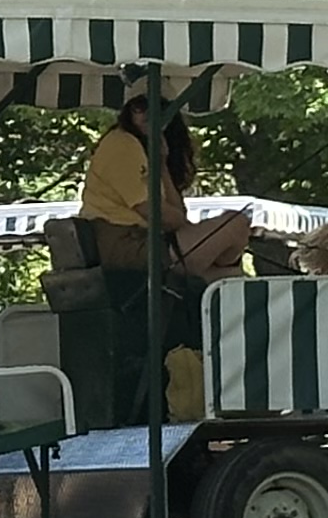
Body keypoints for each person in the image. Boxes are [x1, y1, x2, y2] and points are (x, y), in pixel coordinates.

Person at [76, 103, 255, 421]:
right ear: (127, 112)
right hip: (129, 246)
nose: (147, 114)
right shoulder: (122, 143)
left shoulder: (141, 151)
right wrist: (194, 235)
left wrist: (160, 163)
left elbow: (177, 214)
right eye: (139, 107)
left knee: (232, 278)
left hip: (146, 244)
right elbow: (161, 215)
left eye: (158, 107)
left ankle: (222, 388)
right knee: (235, 224)